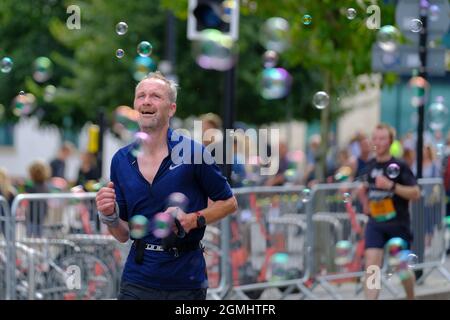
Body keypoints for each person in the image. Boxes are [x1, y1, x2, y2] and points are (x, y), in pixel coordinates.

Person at [95, 72, 237, 300]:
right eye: (141, 96)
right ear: (135, 106)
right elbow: (122, 234)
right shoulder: (120, 160)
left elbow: (229, 203)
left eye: (155, 96)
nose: (147, 101)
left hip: (185, 280)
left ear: (171, 109)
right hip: (137, 279)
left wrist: (193, 219)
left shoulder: (193, 152)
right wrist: (109, 215)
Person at [358, 124, 420, 300]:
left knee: (402, 269)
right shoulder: (369, 165)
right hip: (375, 223)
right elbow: (366, 190)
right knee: (371, 265)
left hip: (398, 223)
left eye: (382, 138)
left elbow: (415, 193)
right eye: (375, 138)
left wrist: (391, 186)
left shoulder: (399, 165)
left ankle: (410, 297)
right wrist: (363, 198)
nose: (378, 142)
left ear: (390, 141)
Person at [25, 160, 51, 237]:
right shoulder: (46, 186)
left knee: (29, 237)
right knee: (39, 237)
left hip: (32, 216)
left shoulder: (31, 187)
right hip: (41, 216)